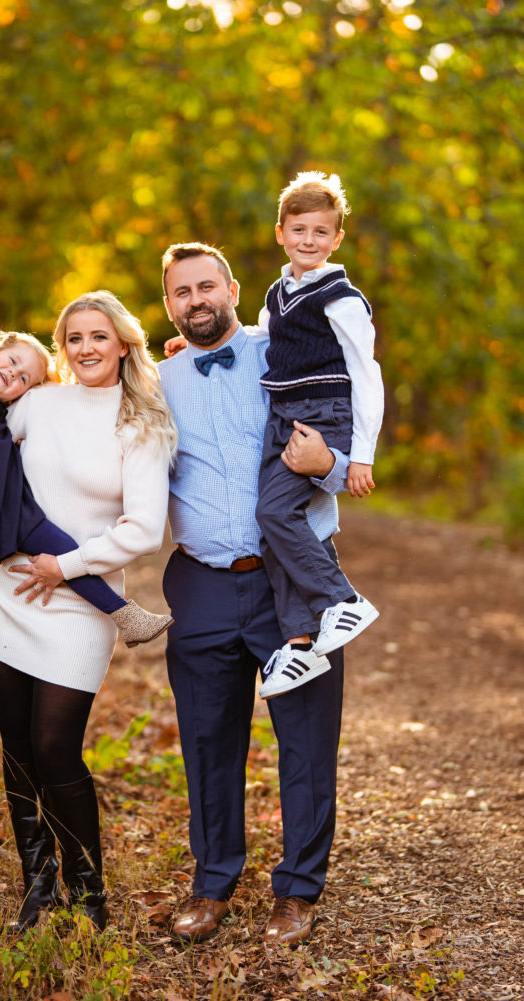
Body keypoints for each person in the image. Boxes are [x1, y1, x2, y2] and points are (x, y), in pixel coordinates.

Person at [0, 293, 176, 932]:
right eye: (74, 337)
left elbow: (144, 529)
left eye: (100, 335)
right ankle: (38, 885)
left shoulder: (143, 424)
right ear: (62, 347)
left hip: (78, 601)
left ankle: (89, 891)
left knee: (54, 747)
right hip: (5, 592)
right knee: (17, 748)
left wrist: (63, 567)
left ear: (124, 343)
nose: (87, 348)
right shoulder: (38, 403)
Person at [158, 242, 349, 947]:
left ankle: (297, 891)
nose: (196, 300)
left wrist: (330, 462)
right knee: (208, 743)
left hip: (289, 582)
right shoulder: (153, 381)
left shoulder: (288, 352)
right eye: (182, 291)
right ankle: (212, 884)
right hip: (201, 582)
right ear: (168, 304)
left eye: (206, 286)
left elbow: (347, 404)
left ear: (234, 288)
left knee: (304, 739)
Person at [0, 330, 172, 648]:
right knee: (64, 547)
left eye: (23, 377)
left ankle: (127, 617)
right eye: (13, 360)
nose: (13, 373)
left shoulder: (5, 410)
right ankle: (126, 615)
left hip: (16, 501)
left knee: (65, 548)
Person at [255, 171, 383, 696]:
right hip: (283, 413)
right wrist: (190, 348)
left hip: (322, 415)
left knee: (273, 511)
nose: (309, 241)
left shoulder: (342, 297)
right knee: (269, 524)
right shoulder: (277, 293)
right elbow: (261, 337)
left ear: (337, 239)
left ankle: (342, 600)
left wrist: (361, 456)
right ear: (280, 232)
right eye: (299, 229)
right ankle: (302, 645)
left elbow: (367, 373)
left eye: (320, 232)